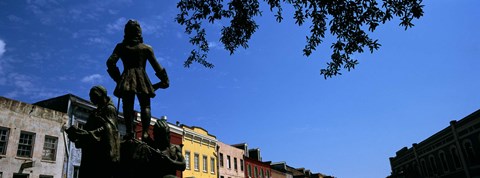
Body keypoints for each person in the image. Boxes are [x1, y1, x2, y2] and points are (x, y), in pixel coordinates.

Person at [106, 19, 169, 140]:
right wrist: (164, 79)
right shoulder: (146, 48)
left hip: (127, 78)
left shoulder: (121, 47)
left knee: (127, 106)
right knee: (145, 106)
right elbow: (157, 66)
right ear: (139, 32)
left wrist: (118, 78)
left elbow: (110, 63)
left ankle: (129, 132)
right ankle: (145, 132)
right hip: (142, 78)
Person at [66, 86, 120, 178]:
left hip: (101, 152)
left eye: (92, 96)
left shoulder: (109, 109)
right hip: (91, 151)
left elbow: (110, 128)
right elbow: (89, 128)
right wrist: (79, 133)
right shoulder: (95, 112)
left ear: (100, 95)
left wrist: (92, 133)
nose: (90, 99)